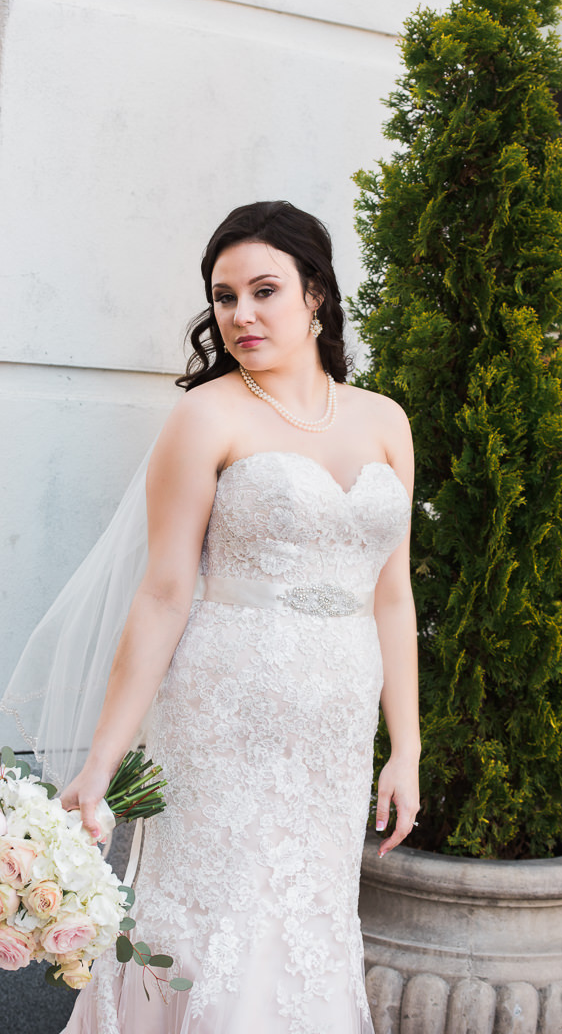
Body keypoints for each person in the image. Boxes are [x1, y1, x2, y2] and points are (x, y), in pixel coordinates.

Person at [57, 200, 420, 1033]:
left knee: (306, 924)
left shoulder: (385, 420)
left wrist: (405, 747)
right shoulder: (206, 415)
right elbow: (162, 594)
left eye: (264, 290)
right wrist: (102, 762)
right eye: (224, 297)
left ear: (316, 295)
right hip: (222, 716)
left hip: (333, 730)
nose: (241, 315)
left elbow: (391, 595)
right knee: (213, 920)